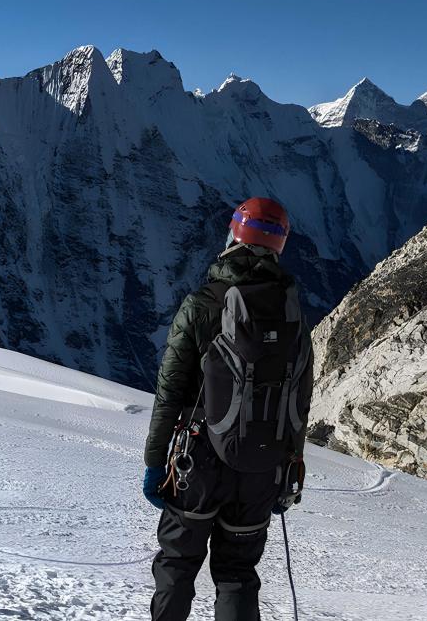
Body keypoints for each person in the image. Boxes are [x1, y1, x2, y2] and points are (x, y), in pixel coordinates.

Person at [141, 197, 313, 621]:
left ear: (233, 236)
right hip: (261, 467)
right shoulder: (292, 315)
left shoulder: (201, 305)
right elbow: (300, 398)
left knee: (178, 565)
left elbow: (170, 394)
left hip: (196, 463)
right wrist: (288, 469)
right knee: (238, 572)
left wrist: (153, 463)